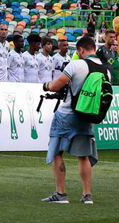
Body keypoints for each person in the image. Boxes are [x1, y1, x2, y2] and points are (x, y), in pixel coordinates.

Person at [41, 36, 109, 205]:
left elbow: (57, 85)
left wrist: (46, 85)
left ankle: (61, 193)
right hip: (86, 115)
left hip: (66, 114)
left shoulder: (76, 64)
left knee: (57, 152)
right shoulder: (105, 70)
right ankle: (87, 195)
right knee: (83, 156)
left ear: (80, 50)